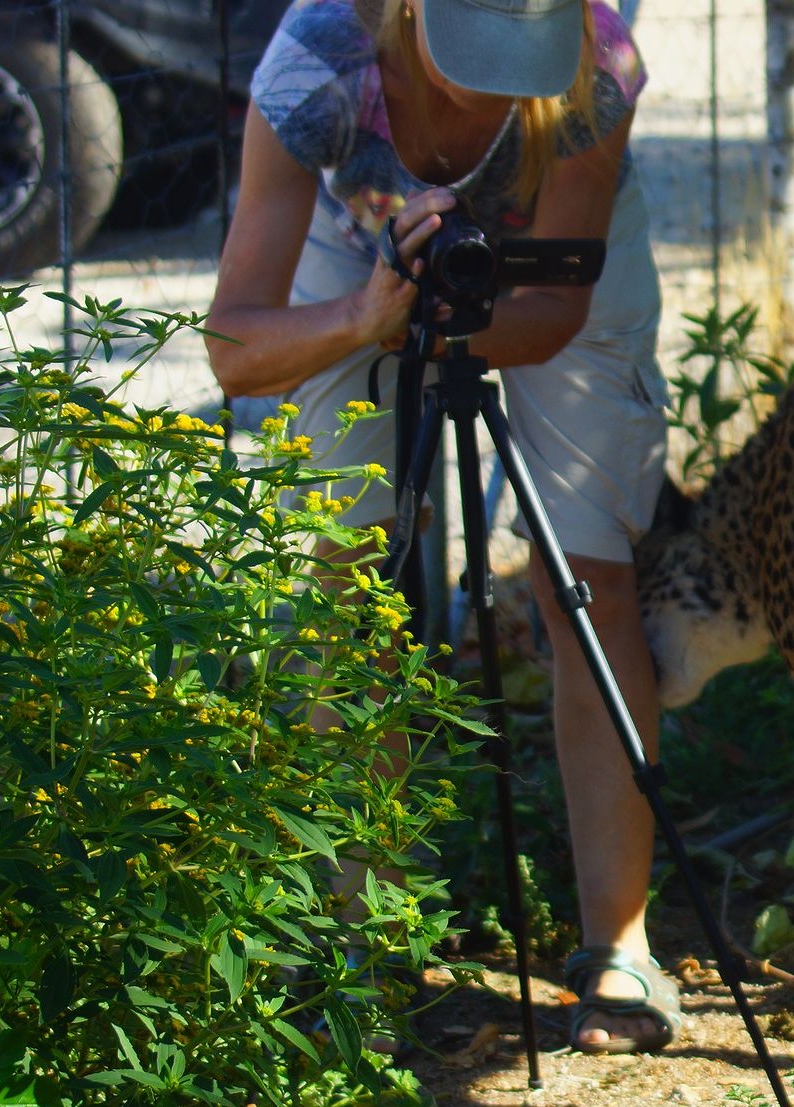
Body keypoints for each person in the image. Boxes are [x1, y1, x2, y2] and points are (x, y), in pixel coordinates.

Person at [205, 0, 681, 1055]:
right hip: (359, 251)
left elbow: (553, 315)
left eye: (525, 55)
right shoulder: (314, 71)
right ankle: (357, 935)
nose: (501, 89)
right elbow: (235, 342)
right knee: (344, 580)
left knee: (587, 580)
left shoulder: (595, 64)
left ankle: (621, 945)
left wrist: (431, 333)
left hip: (560, 270)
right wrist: (367, 323)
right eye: (474, 57)